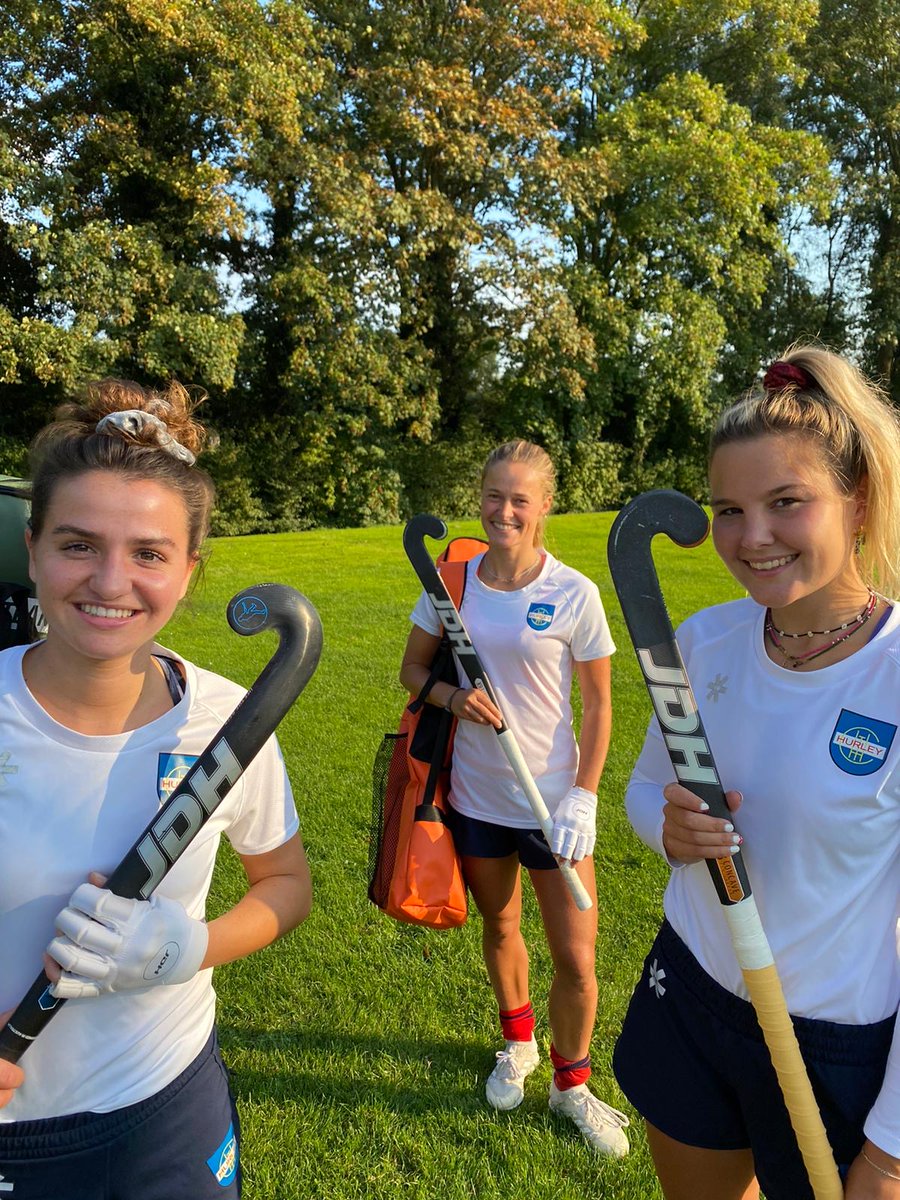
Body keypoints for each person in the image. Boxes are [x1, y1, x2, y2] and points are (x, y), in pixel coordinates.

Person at [0, 379, 312, 1198]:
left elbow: (284, 885)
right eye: (76, 544)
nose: (110, 582)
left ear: (188, 570)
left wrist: (188, 948)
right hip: (15, 1133)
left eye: (148, 553)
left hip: (170, 1106)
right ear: (31, 548)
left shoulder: (227, 720)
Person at [613, 346, 900, 1200]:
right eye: (729, 510)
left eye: (786, 503)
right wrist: (666, 828)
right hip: (691, 988)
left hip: (827, 1037)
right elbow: (641, 789)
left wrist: (887, 1155)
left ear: (857, 503)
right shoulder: (704, 640)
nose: (751, 538)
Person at [399, 439, 629, 1157]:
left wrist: (583, 797)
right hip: (475, 797)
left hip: (553, 805)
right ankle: (518, 1043)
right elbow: (411, 670)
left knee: (579, 958)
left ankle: (572, 1085)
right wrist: (452, 696)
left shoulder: (572, 593)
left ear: (543, 506)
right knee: (500, 928)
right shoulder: (451, 582)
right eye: (494, 495)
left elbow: (598, 708)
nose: (504, 510)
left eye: (519, 499)